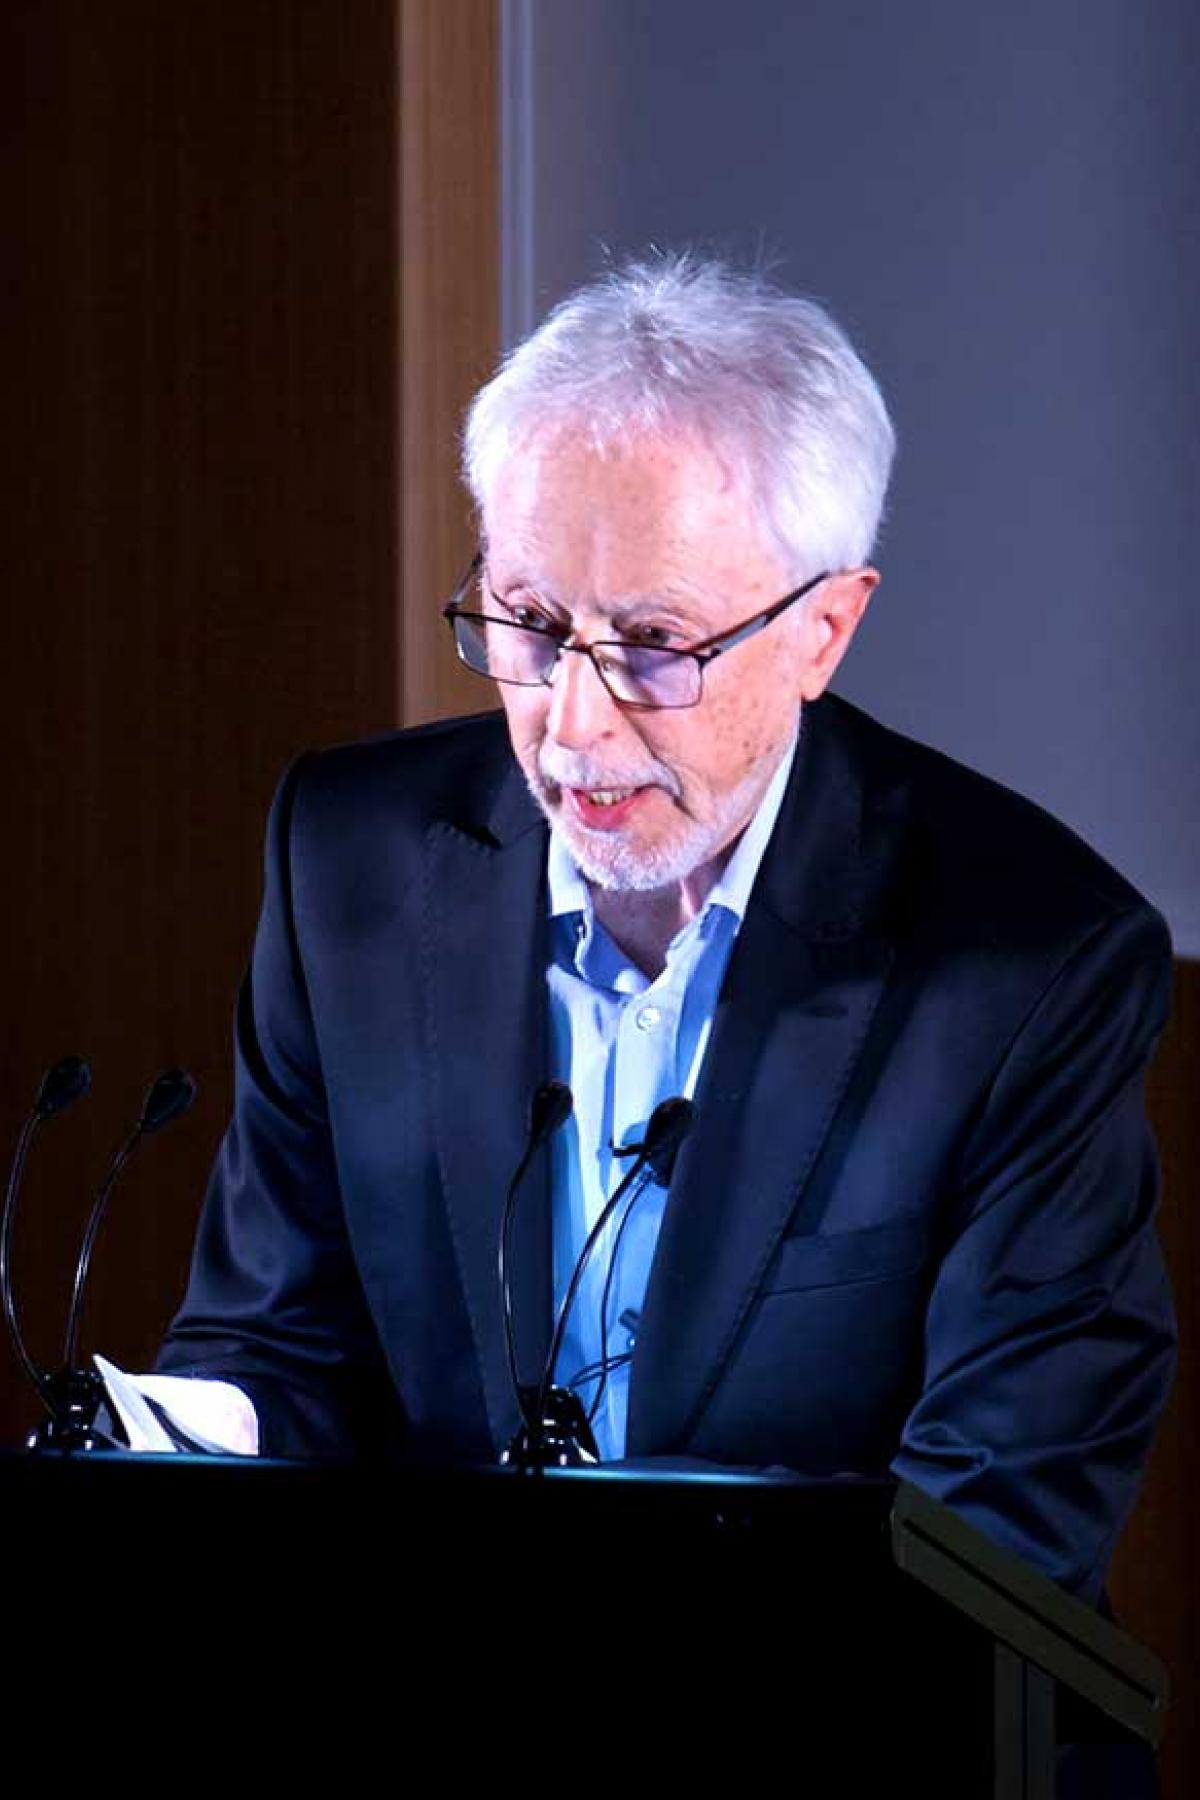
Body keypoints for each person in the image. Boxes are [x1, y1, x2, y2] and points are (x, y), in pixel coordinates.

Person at [158, 254, 1175, 1607]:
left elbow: (996, 1544)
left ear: (823, 631)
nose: (570, 726)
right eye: (526, 622)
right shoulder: (350, 861)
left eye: (651, 645)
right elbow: (273, 1356)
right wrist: (183, 1443)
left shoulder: (1031, 963)